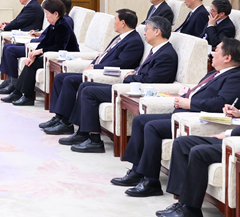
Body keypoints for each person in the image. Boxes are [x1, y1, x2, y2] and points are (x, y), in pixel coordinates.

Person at [111, 38, 240, 197]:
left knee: (152, 127)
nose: (212, 54)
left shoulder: (235, 77)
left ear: (227, 57)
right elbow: (198, 91)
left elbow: (220, 103)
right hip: (182, 113)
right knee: (140, 120)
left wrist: (189, 103)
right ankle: (137, 171)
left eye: (217, 50)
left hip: (195, 118)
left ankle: (151, 182)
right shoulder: (215, 73)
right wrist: (183, 98)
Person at [62, 16, 179, 153]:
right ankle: (82, 132)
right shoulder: (156, 50)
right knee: (84, 86)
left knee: (89, 92)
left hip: (136, 90)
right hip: (130, 87)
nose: (144, 33)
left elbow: (151, 80)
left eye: (147, 29)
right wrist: (134, 73)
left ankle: (95, 141)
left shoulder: (166, 55)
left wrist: (131, 77)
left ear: (157, 31)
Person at [41, 9, 144, 136]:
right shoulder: (120, 37)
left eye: (115, 20)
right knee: (60, 77)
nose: (113, 22)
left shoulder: (134, 42)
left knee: (69, 80)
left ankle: (65, 123)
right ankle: (59, 117)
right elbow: (105, 55)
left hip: (104, 75)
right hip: (96, 70)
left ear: (123, 23)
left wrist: (96, 67)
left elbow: (122, 63)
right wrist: (93, 63)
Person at [157, 104, 240, 217]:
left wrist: (229, 133)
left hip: (236, 145)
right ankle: (182, 203)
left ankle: (192, 210)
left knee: (199, 152)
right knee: (182, 143)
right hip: (233, 139)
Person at [0, 0, 79, 106]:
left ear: (56, 14)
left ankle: (26, 96)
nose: (46, 17)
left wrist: (40, 51)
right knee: (30, 62)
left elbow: (59, 47)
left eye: (47, 14)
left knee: (33, 64)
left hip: (65, 57)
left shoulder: (63, 25)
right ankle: (19, 93)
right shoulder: (54, 25)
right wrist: (33, 54)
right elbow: (45, 42)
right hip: (53, 55)